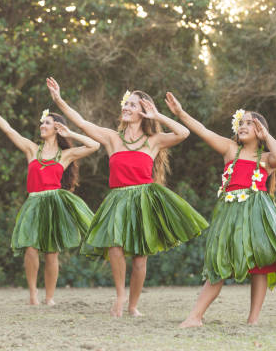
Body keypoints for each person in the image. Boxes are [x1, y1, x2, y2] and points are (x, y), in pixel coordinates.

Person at [46, 78, 209, 317]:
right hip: (118, 199)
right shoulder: (113, 138)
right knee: (114, 247)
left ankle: (133, 305)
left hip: (143, 199)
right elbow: (81, 122)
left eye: (133, 105)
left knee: (140, 259)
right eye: (127, 103)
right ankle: (120, 297)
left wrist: (158, 116)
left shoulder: (153, 141)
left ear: (143, 112)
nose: (127, 107)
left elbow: (183, 132)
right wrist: (58, 99)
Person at [164, 93, 276, 326]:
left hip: (258, 216)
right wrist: (180, 113)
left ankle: (253, 320)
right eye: (241, 122)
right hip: (230, 214)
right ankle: (195, 317)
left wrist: (266, 135)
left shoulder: (267, 158)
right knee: (219, 263)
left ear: (260, 129)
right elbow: (202, 130)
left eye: (250, 123)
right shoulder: (231, 149)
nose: (243, 125)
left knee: (260, 265)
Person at [0, 87, 100, 305]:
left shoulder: (64, 155)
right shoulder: (31, 150)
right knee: (30, 247)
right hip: (34, 202)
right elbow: (8, 129)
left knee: (51, 253)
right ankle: (33, 295)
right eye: (42, 122)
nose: (41, 125)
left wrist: (70, 133)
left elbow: (95, 145)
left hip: (54, 203)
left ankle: (49, 297)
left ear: (56, 128)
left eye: (46, 123)